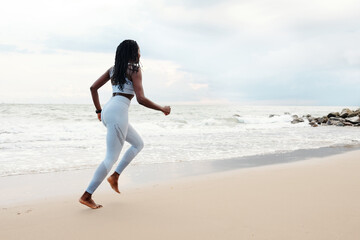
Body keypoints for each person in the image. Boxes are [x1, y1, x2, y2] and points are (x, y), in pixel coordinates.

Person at [79, 40, 171, 209]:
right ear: (132, 52)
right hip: (118, 112)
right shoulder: (135, 69)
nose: (140, 54)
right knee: (111, 157)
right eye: (138, 50)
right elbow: (141, 99)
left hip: (109, 109)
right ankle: (87, 195)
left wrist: (99, 111)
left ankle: (115, 177)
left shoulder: (113, 70)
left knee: (138, 144)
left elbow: (93, 88)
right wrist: (162, 108)